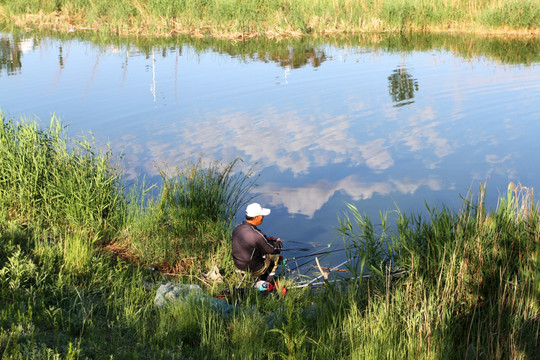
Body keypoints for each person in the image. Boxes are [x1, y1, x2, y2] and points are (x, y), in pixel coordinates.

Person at [231, 203, 282, 283]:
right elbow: (273, 249)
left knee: (260, 251)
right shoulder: (257, 235)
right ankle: (269, 279)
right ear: (255, 217)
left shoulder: (237, 228)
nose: (263, 217)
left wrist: (266, 239)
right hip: (252, 269)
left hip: (238, 266)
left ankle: (261, 276)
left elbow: (249, 241)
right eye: (261, 215)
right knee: (275, 254)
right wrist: (279, 242)